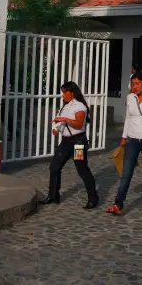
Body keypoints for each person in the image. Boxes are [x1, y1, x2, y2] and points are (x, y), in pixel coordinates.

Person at [107, 70, 142, 215]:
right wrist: (124, 138)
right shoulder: (130, 97)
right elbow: (128, 118)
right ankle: (118, 204)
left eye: (137, 84)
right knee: (126, 173)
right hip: (132, 140)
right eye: (133, 84)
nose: (135, 87)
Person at [39, 81, 99, 209]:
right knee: (54, 166)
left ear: (72, 92)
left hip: (78, 142)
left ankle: (93, 198)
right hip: (66, 142)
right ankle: (53, 195)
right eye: (62, 92)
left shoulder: (80, 106)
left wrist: (64, 119)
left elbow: (78, 124)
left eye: (65, 92)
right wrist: (56, 128)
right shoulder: (65, 106)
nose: (63, 95)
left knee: (82, 169)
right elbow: (59, 120)